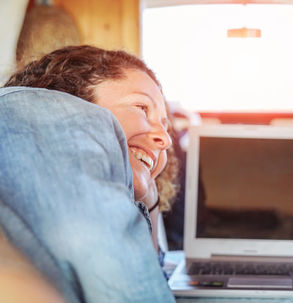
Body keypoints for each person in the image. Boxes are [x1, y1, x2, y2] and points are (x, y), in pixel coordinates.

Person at [0, 45, 176, 302]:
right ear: (72, 93)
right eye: (142, 107)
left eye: (164, 125)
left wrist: (149, 198)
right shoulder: (40, 108)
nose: (166, 140)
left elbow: (148, 277)